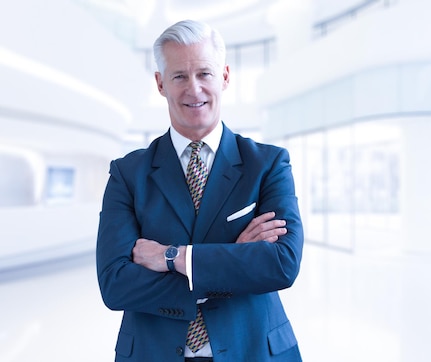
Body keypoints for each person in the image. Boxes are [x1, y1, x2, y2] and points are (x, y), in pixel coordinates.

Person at [96, 19, 303, 362]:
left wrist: (174, 257)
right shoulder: (128, 173)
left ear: (224, 76)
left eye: (204, 74)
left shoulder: (267, 164)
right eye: (179, 76)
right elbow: (115, 284)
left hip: (253, 351)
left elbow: (282, 264)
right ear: (161, 83)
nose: (194, 89)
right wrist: (233, 259)